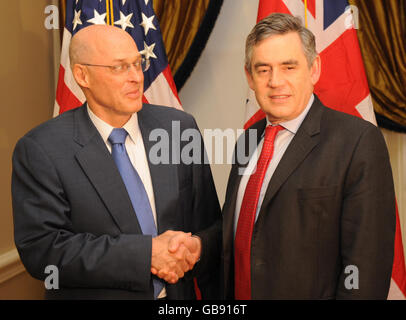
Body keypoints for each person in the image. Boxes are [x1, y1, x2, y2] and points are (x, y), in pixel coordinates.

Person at [12, 25, 221, 300]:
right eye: (119, 68)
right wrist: (146, 255)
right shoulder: (41, 149)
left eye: (138, 64)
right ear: (82, 75)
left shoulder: (179, 129)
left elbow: (212, 225)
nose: (136, 77)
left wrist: (197, 247)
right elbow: (43, 251)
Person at [222, 13, 396, 299]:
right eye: (263, 69)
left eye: (288, 67)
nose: (275, 81)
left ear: (314, 69)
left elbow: (366, 269)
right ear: (249, 77)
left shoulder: (357, 142)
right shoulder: (248, 141)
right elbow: (241, 240)